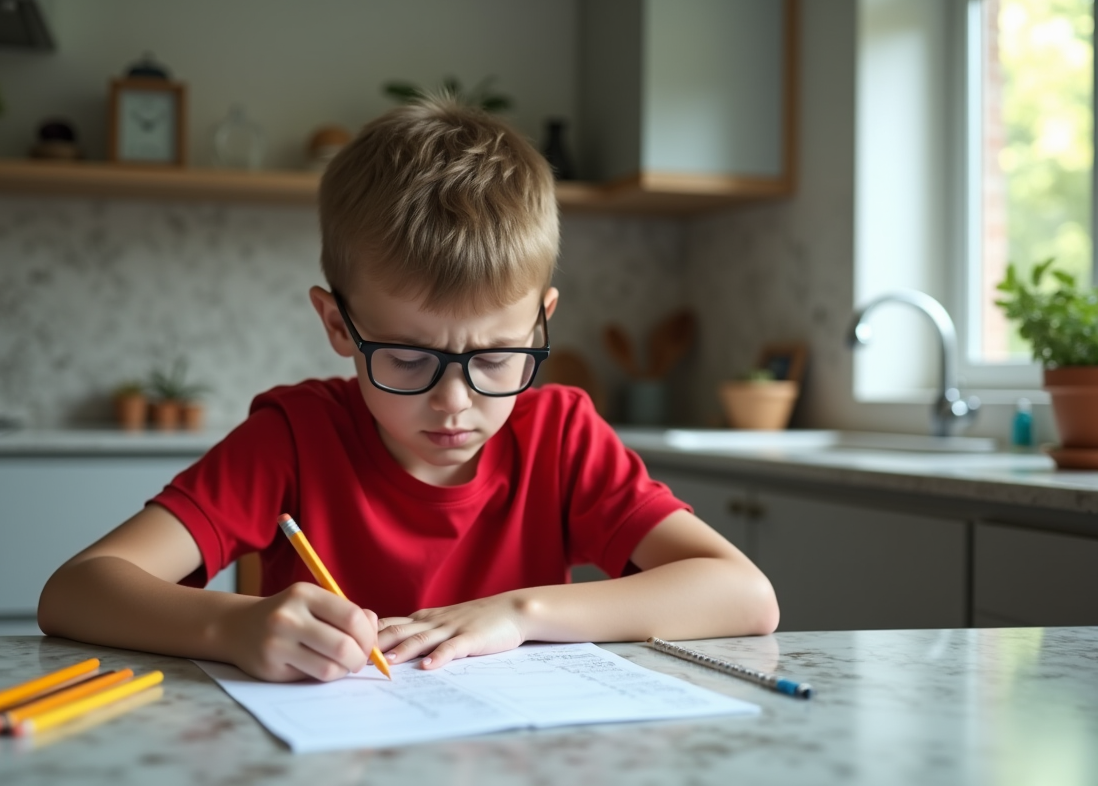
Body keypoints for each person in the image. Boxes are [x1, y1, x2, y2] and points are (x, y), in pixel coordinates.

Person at [38, 97, 779, 683]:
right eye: (405, 357)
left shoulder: (561, 434)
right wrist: (231, 626)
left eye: (496, 357)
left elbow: (745, 597)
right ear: (338, 324)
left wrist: (521, 612)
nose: (454, 402)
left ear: (541, 320)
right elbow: (76, 590)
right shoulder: (294, 437)